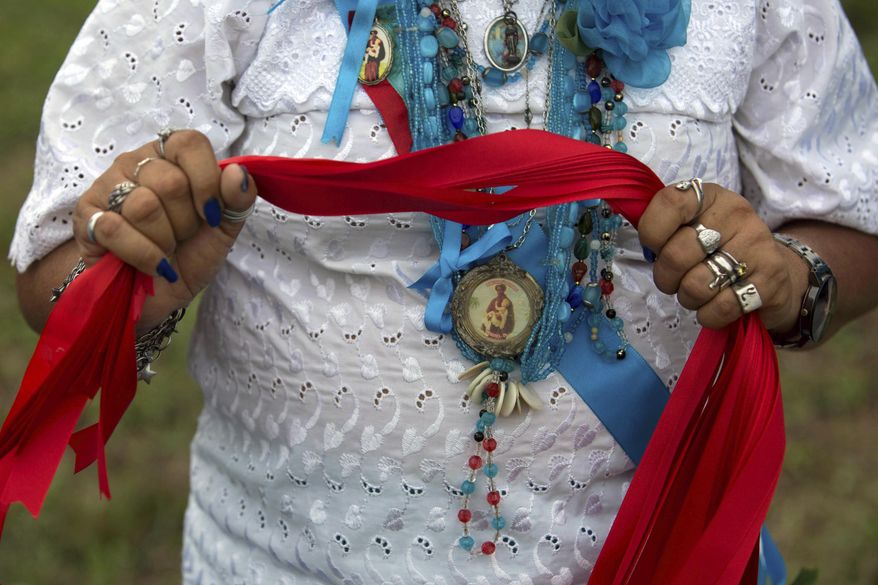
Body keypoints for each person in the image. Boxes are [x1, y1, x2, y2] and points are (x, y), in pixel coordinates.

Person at [10, 0, 878, 582]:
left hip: (648, 557)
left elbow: (852, 209)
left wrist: (793, 280)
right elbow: (57, 269)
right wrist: (137, 280)